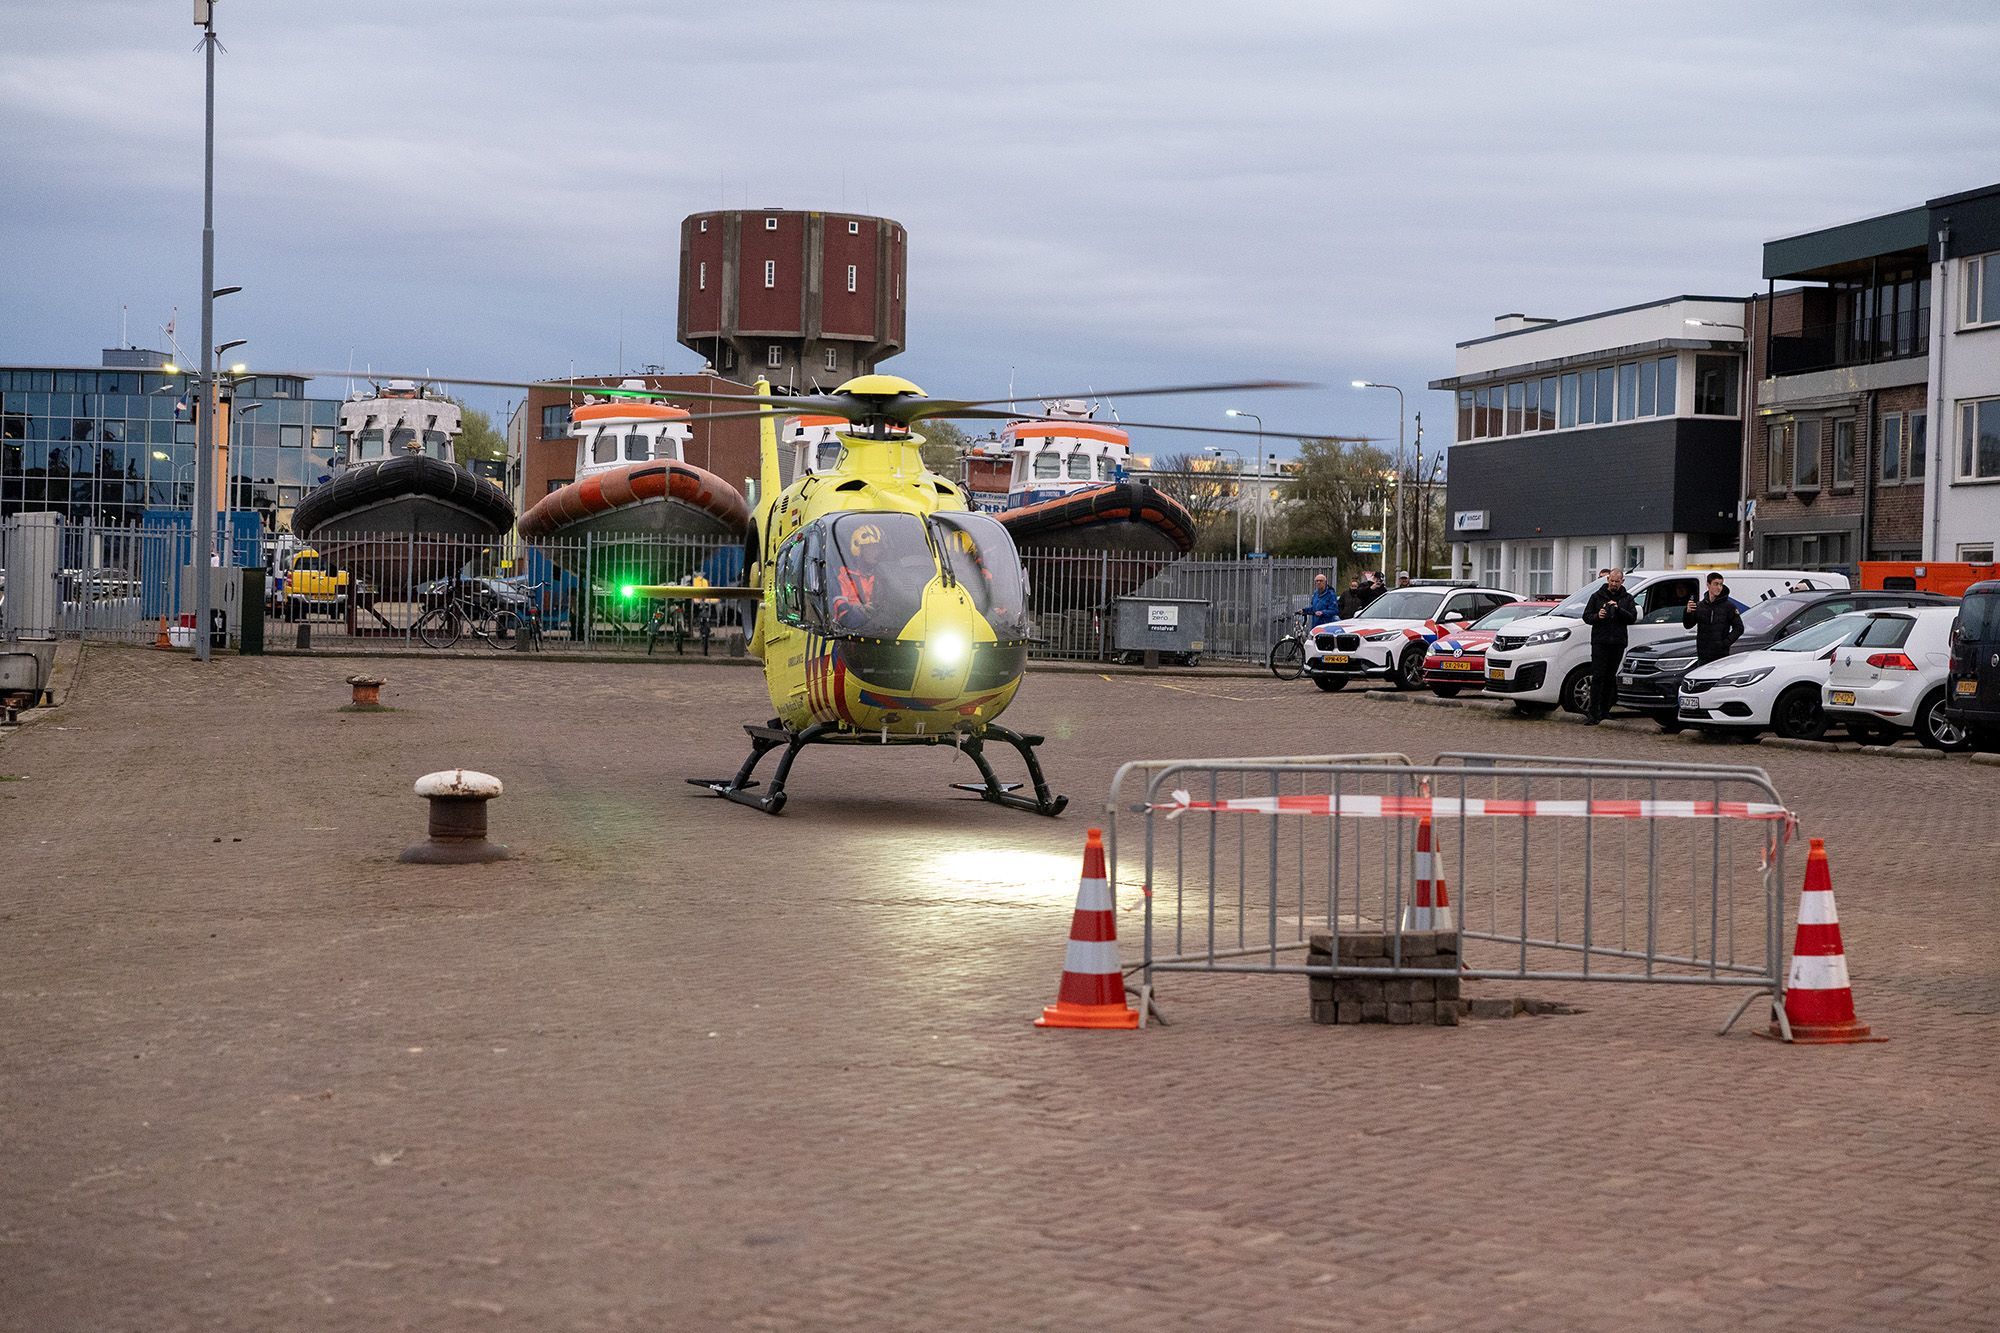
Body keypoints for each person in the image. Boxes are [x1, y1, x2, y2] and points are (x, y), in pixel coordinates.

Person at [1582, 567, 1638, 724]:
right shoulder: (1597, 596)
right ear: (1608, 580)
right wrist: (1598, 616)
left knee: (1609, 678)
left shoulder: (1627, 598)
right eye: (1612, 581)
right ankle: (1592, 712)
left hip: (1618, 642)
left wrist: (1618, 609)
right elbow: (1586, 616)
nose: (1614, 584)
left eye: (1617, 581)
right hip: (1600, 641)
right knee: (1598, 677)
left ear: (1622, 581)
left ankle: (1605, 711)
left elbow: (1632, 618)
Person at [1683, 572, 1744, 664]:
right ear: (1708, 585)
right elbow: (1688, 625)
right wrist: (1687, 612)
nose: (1719, 587)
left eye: (1721, 584)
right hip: (1703, 655)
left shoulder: (1729, 606)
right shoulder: (1700, 606)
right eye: (1716, 584)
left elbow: (1739, 628)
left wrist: (1724, 643)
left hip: (1721, 655)